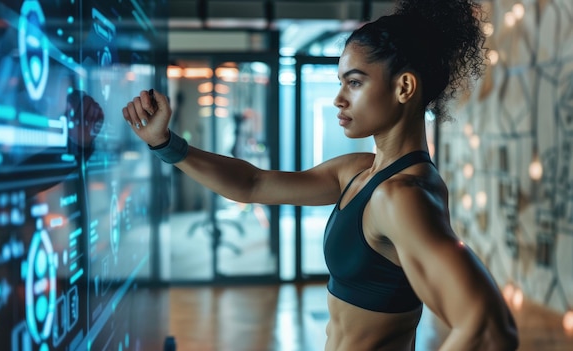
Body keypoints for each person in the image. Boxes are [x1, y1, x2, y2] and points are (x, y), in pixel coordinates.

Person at [122, 0, 519, 349]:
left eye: (355, 82)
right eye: (340, 82)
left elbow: (488, 329)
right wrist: (167, 145)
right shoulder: (358, 171)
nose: (338, 98)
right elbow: (253, 184)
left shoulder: (401, 196)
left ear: (405, 87)